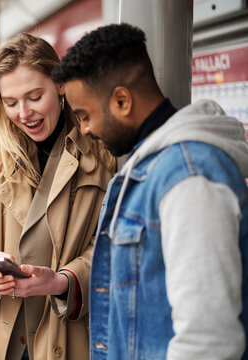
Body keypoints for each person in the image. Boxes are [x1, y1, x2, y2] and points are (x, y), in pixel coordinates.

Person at [53, 23, 248, 360]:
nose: (84, 129)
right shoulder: (153, 166)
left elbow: (207, 341)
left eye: (85, 115)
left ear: (121, 100)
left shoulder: (190, 177)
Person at [0, 33, 116, 360]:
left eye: (35, 96)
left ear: (60, 84)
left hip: (67, 334)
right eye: (10, 102)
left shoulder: (102, 155)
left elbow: (112, 247)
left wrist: (63, 282)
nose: (24, 113)